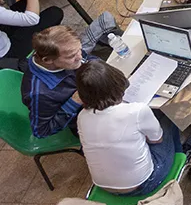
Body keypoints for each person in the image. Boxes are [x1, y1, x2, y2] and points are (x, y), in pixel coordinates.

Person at [75, 59, 183, 196]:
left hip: (103, 186)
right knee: (169, 116)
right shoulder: (137, 110)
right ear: (118, 82)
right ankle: (181, 153)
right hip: (146, 183)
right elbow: (157, 140)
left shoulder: (82, 116)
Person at [21, 26, 87, 138]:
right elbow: (41, 131)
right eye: (72, 56)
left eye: (79, 49)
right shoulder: (39, 94)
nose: (80, 57)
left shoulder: (69, 51)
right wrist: (75, 100)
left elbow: (87, 59)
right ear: (47, 60)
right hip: (84, 120)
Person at [0, 0, 64, 71]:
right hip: (8, 53)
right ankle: (46, 48)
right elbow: (32, 18)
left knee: (25, 4)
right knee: (55, 13)